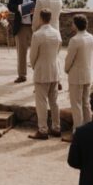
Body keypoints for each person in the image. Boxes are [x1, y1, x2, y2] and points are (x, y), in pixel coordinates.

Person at [29, 8, 64, 138]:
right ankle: (56, 127)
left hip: (41, 70)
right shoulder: (57, 34)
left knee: (41, 102)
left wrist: (34, 66)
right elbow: (58, 50)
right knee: (54, 102)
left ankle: (43, 129)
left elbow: (33, 55)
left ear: (40, 18)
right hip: (54, 70)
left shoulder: (37, 35)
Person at [63, 15, 93, 131]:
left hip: (76, 75)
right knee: (86, 103)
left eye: (73, 23)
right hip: (87, 73)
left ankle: (77, 131)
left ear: (76, 25)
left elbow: (69, 58)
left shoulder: (75, 40)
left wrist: (66, 69)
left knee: (76, 104)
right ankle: (88, 129)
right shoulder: (91, 37)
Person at [11, 0, 38, 83]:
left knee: (37, 52)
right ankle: (22, 75)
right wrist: (19, 8)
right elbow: (10, 6)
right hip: (21, 26)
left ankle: (37, 75)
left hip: (34, 26)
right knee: (21, 53)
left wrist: (34, 9)